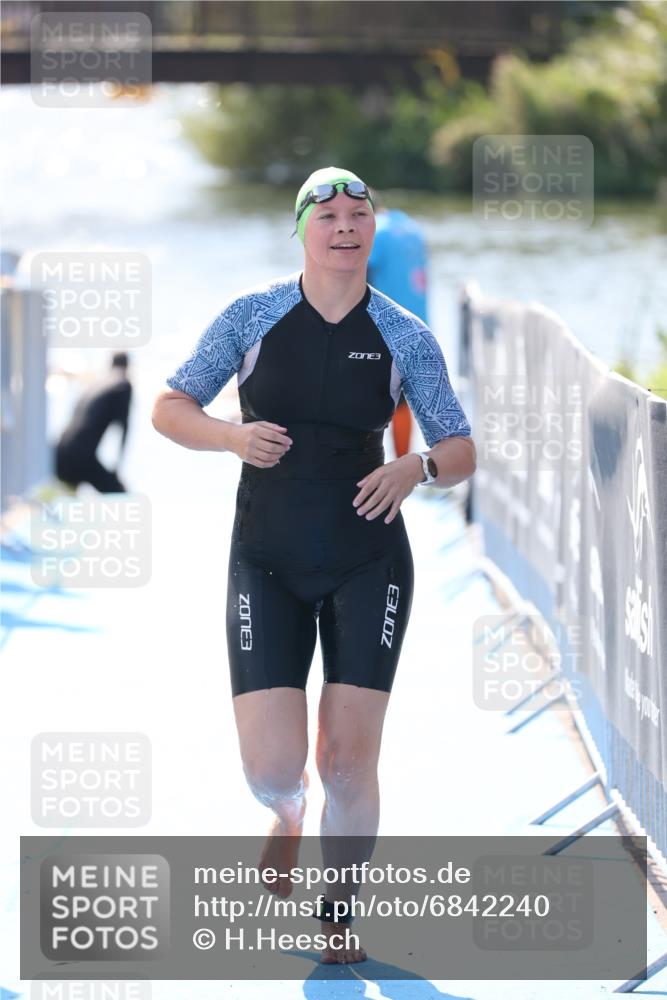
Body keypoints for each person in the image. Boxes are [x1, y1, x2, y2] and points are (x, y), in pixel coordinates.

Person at [152, 166, 476, 965]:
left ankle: (337, 913)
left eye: (357, 213)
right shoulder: (252, 315)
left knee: (348, 755)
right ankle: (286, 812)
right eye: (325, 214)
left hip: (369, 556)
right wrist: (231, 435)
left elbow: (460, 448)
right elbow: (168, 407)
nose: (344, 226)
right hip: (265, 556)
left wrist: (416, 468)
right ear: (299, 229)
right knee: (271, 766)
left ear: (374, 229)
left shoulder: (405, 333)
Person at [366, 189, 429, 458]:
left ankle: (373, 472)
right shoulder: (413, 228)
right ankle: (403, 463)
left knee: (367, 398)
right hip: (418, 325)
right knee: (403, 400)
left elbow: (352, 276)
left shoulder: (375, 234)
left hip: (385, 328)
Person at [55, 352, 132, 493]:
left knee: (69, 496)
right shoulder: (123, 385)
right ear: (127, 367)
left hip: (59, 452)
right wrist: (117, 468)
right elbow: (124, 429)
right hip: (80, 456)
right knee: (120, 493)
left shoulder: (96, 383)